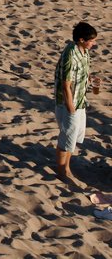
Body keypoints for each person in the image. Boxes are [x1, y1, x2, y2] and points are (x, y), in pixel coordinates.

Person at [54, 21, 100, 185]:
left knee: (73, 137)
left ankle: (66, 167)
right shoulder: (70, 55)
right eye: (91, 40)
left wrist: (91, 80)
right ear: (81, 39)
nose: (94, 44)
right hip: (69, 103)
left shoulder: (84, 51)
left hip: (80, 100)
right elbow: (66, 84)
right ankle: (61, 171)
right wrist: (71, 108)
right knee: (66, 136)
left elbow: (85, 71)